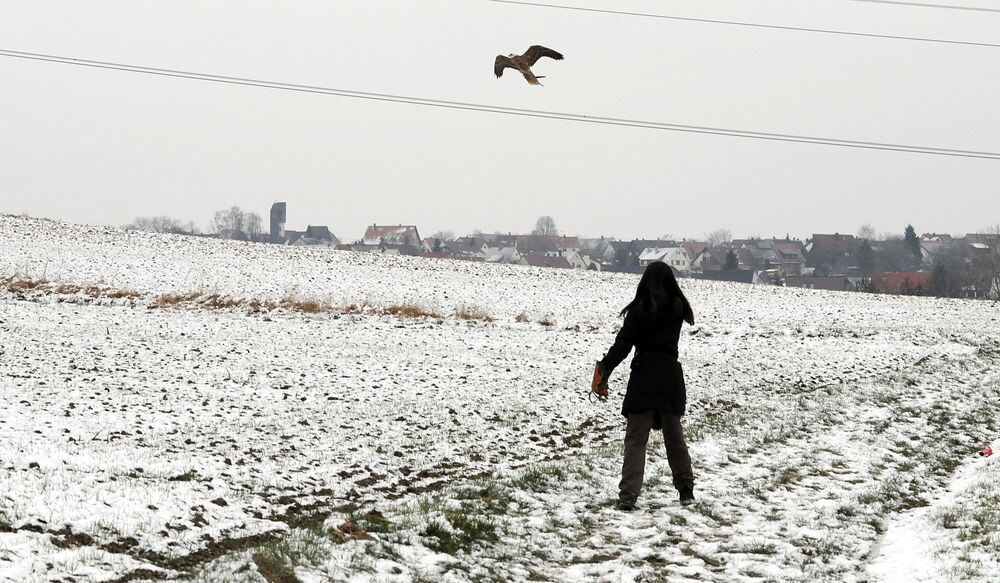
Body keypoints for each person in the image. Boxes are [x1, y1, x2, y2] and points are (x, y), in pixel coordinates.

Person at [596, 260, 696, 511]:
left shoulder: (640, 311)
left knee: (636, 440)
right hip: (670, 378)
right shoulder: (677, 308)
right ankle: (686, 491)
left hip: (644, 377)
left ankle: (628, 496)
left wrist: (604, 369)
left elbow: (623, 345)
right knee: (675, 439)